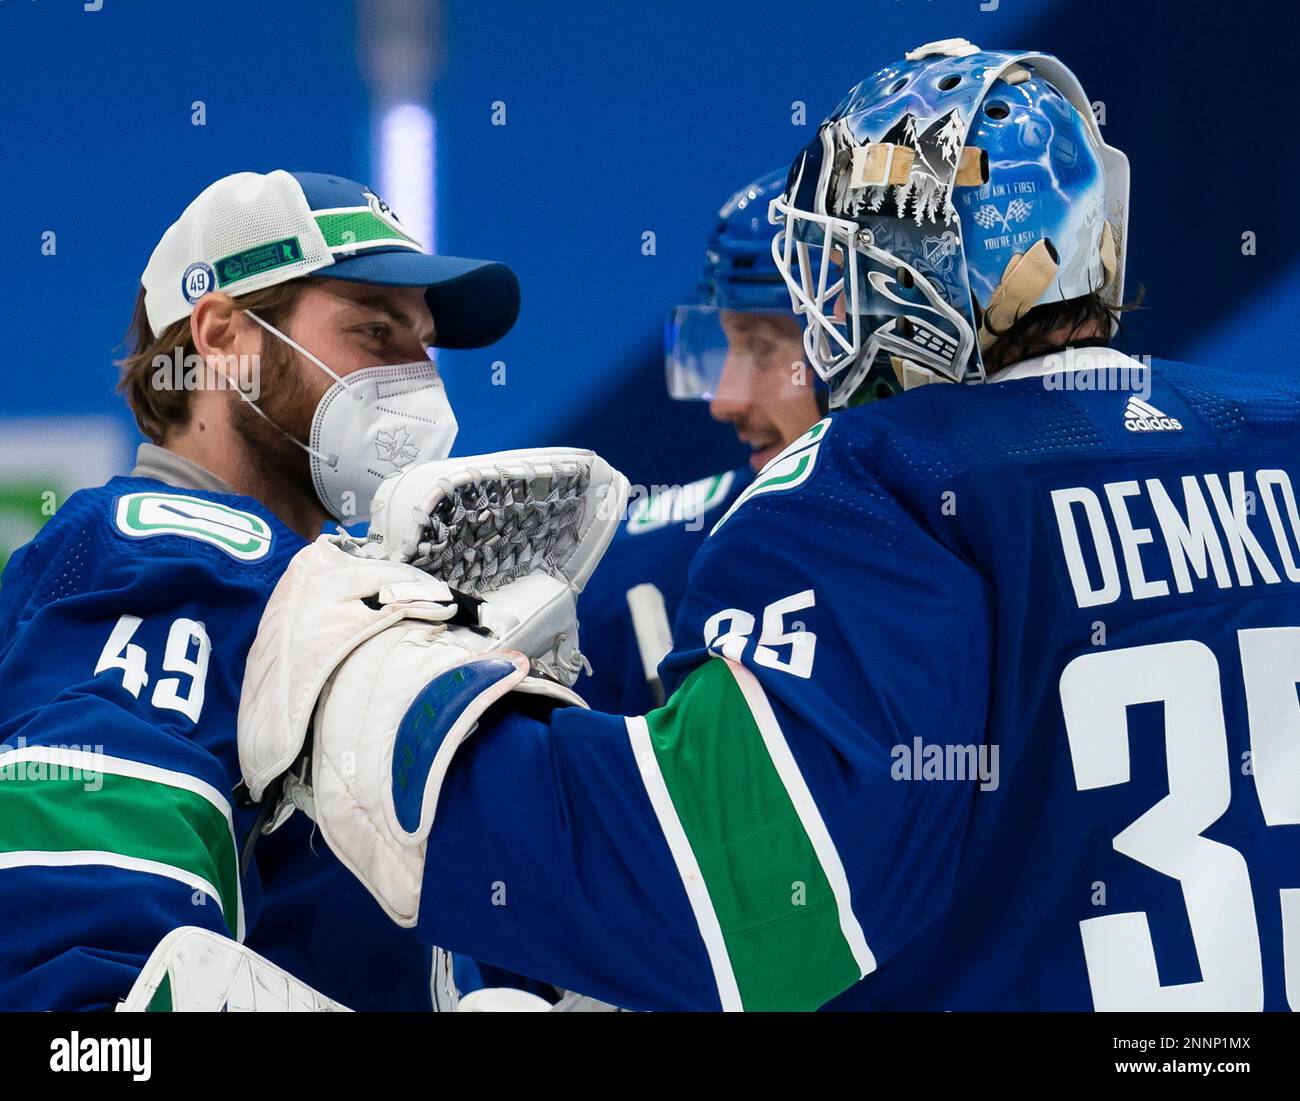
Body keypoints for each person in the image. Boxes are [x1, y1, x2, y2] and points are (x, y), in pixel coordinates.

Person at [242, 38, 1300, 1012]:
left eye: (832, 275)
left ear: (910, 274)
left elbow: (744, 906)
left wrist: (393, 708)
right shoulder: (1276, 435)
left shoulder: (876, 485)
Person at [0, 169, 521, 1010]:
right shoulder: (169, 550)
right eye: (375, 331)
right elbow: (84, 967)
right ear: (220, 333)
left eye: (423, 343)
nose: (417, 377)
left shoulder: (317, 583)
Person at [577, 168, 825, 713]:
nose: (724, 401)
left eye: (762, 349)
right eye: (727, 344)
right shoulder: (639, 576)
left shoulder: (996, 538)